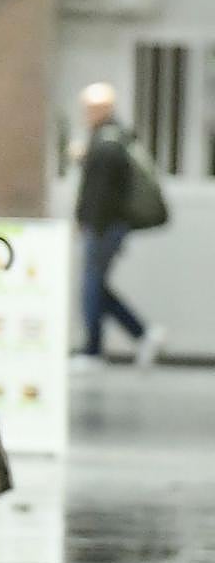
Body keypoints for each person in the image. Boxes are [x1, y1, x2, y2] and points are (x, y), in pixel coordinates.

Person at [73, 82, 164, 371]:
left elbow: (101, 194)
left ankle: (94, 350)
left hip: (104, 227)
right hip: (107, 226)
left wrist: (89, 224)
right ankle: (143, 333)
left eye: (89, 109)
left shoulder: (107, 144)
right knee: (96, 287)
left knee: (91, 287)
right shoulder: (110, 140)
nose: (85, 114)